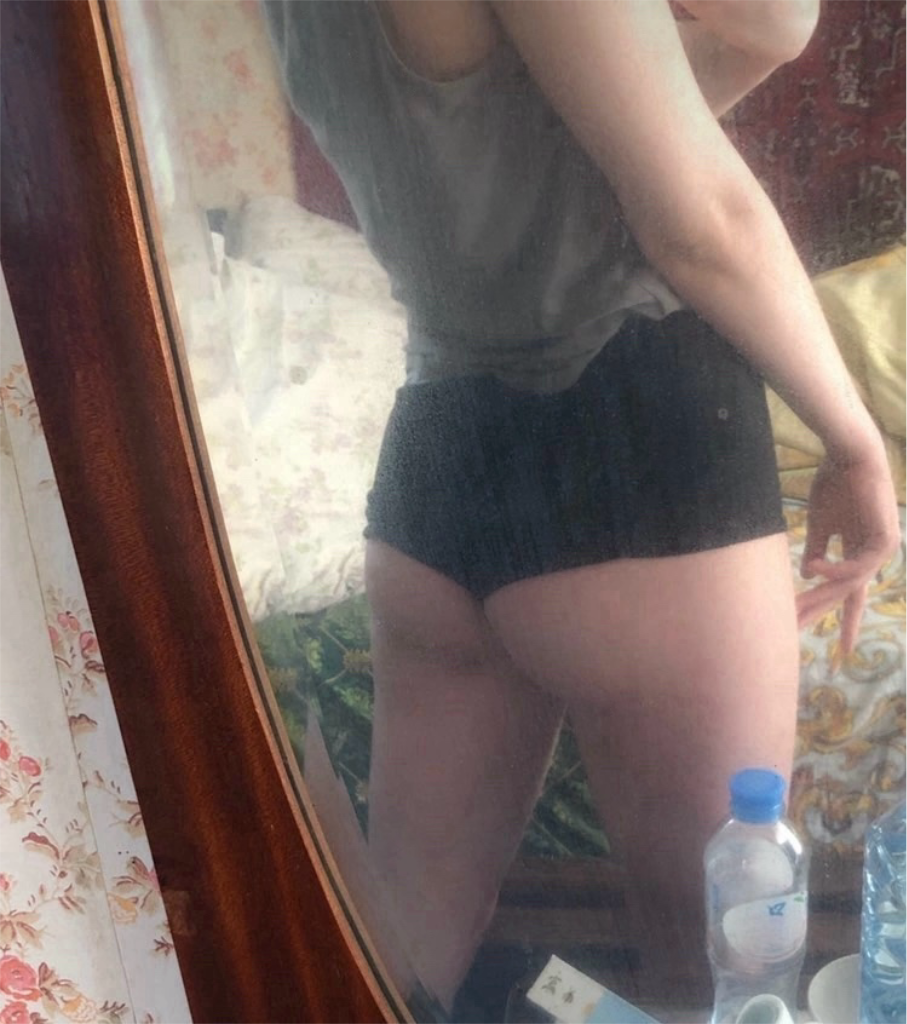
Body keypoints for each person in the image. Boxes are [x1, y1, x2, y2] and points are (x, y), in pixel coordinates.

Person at [261, 0, 900, 1017]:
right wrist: (854, 442)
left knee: (389, 966)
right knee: (715, 979)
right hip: (633, 441)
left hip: (436, 458)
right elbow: (704, 221)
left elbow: (768, 28)